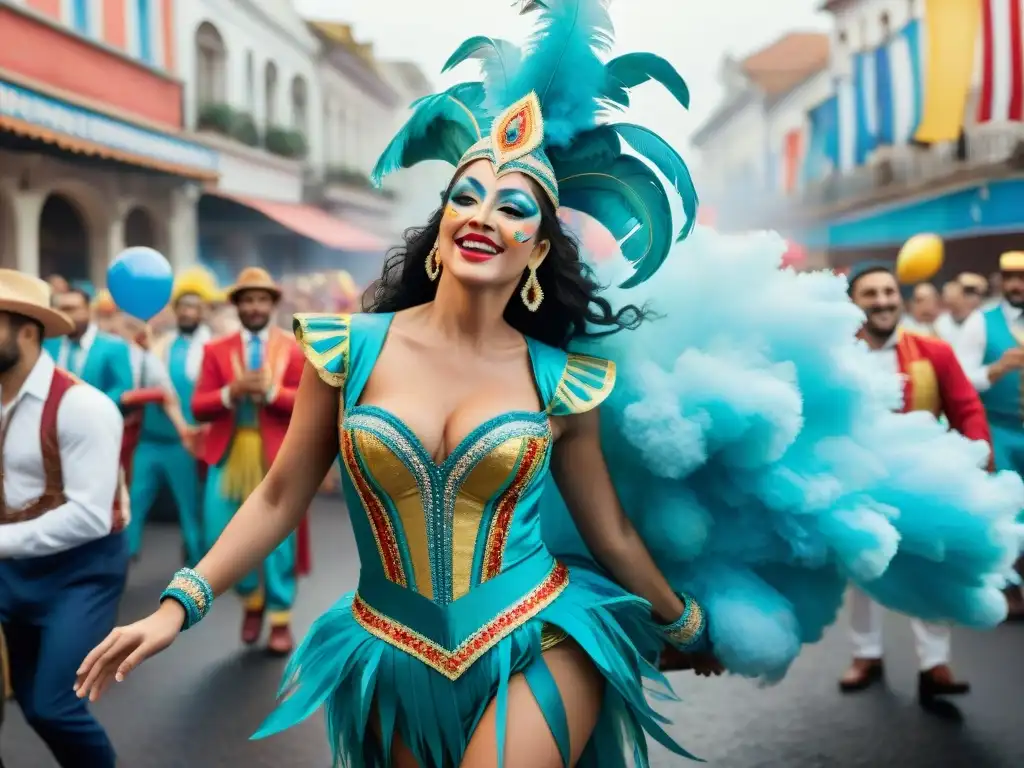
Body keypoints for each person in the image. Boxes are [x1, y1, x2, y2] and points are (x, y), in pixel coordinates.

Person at [74, 4, 1022, 766]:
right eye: (467, 195)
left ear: (536, 247)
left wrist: (688, 620)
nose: (485, 211)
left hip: (540, 632)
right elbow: (282, 494)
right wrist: (174, 608)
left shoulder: (563, 381)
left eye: (515, 204)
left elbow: (606, 529)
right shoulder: (343, 349)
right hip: (385, 647)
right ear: (442, 227)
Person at [839, 263, 990, 700]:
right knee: (863, 568)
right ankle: (865, 654)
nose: (883, 301)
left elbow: (967, 408)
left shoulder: (933, 350)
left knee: (931, 564)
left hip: (926, 480)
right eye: (871, 294)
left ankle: (934, 662)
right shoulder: (838, 355)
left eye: (889, 292)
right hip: (861, 480)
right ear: (853, 302)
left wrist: (978, 459)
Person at [0, 270, 125, 768]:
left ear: (27, 331)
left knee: (53, 707)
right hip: (12, 566)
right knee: (28, 704)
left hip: (80, 572)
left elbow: (90, 517)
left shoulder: (84, 407)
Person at [190, 267, 308, 655]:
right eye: (248, 300)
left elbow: (309, 406)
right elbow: (199, 407)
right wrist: (230, 391)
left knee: (277, 541)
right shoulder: (215, 350)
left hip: (276, 457)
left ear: (272, 305)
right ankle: (251, 600)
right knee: (217, 537)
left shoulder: (295, 348)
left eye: (261, 299)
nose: (254, 307)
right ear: (238, 305)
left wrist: (273, 391)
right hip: (228, 454)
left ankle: (278, 617)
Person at [953, 250, 1024, 620]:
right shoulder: (982, 322)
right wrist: (995, 370)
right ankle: (1008, 585)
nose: (1017, 284)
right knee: (1007, 509)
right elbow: (961, 379)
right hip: (1000, 428)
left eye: (1023, 277)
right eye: (1011, 277)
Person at [126, 276, 212, 566]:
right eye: (183, 307)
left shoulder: (210, 347)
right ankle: (121, 562)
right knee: (134, 501)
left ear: (203, 312)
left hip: (185, 443)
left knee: (189, 507)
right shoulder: (160, 343)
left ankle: (198, 573)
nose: (188, 312)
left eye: (194, 307)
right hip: (149, 439)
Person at [43, 288, 133, 406]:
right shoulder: (48, 345)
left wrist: (93, 407)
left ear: (89, 311)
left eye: (71, 309)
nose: (64, 315)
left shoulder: (114, 346)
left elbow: (122, 388)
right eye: (60, 310)